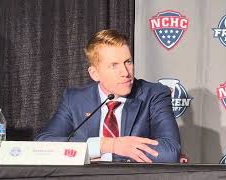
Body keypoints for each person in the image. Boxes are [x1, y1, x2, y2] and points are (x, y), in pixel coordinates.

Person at [35, 29, 181, 163]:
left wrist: (106, 153)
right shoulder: (74, 99)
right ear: (95, 74)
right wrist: (106, 145)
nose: (125, 72)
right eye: (114, 65)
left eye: (128, 62)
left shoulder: (154, 94)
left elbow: (170, 152)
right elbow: (43, 145)